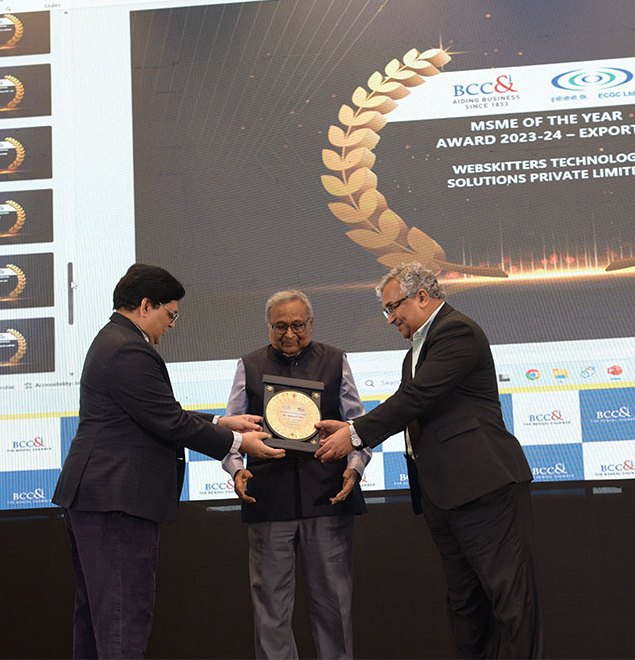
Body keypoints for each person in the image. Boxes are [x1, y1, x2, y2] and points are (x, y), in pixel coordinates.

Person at [52, 263, 284, 659]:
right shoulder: (128, 348)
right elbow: (167, 421)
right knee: (124, 616)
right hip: (116, 501)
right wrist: (237, 440)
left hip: (100, 498)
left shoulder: (114, 340)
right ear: (146, 305)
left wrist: (220, 421)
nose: (172, 325)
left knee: (100, 616)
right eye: (170, 314)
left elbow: (155, 411)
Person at [315, 262, 542, 659]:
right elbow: (411, 408)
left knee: (511, 602)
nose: (389, 319)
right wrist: (352, 425)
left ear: (422, 296)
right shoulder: (414, 354)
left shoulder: (457, 331)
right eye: (386, 311)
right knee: (465, 608)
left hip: (484, 488)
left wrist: (353, 434)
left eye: (392, 307)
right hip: (444, 497)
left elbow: (414, 399)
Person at [222, 290, 371, 659]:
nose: (290, 334)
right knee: (270, 611)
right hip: (268, 499)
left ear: (311, 323)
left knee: (334, 608)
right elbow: (233, 430)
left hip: (329, 495)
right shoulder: (249, 365)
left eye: (298, 325)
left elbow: (360, 427)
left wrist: (355, 468)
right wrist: (236, 469)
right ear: (268, 326)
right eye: (280, 327)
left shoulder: (336, 361)